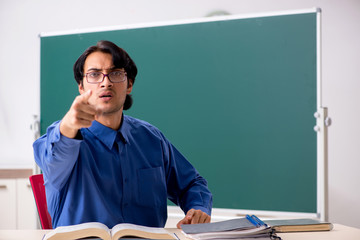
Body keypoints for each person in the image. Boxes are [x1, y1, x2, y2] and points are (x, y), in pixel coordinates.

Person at [33, 40, 212, 229]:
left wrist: (197, 208)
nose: (106, 82)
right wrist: (68, 125)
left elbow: (192, 182)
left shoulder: (151, 139)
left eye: (116, 73)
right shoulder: (66, 137)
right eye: (94, 75)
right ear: (81, 87)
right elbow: (53, 158)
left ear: (129, 85)